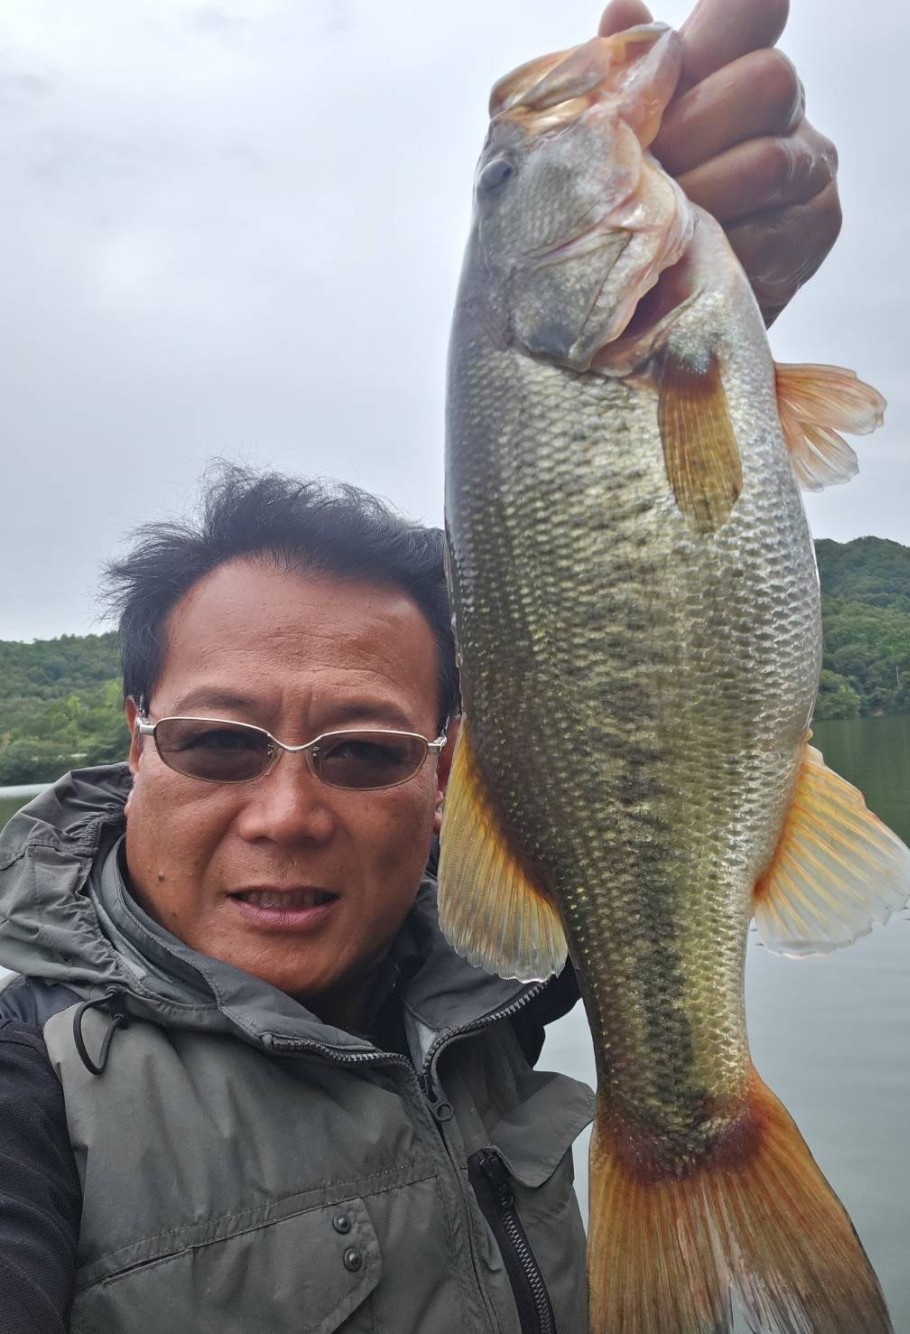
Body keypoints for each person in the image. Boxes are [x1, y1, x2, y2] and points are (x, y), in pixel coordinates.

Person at [0, 1, 843, 1330]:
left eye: (365, 753)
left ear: (449, 777)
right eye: (218, 744)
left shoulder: (477, 974)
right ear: (134, 736)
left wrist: (725, 321)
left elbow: (620, 710)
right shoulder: (26, 1090)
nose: (287, 815)